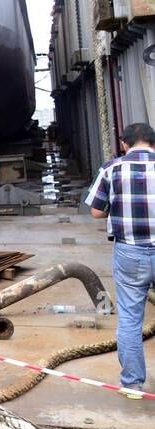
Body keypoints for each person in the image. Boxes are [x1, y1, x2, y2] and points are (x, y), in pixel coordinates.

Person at [85, 122, 155, 398]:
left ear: (124, 144)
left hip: (130, 253)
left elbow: (96, 212)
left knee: (130, 319)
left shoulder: (111, 169)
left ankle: (134, 384)